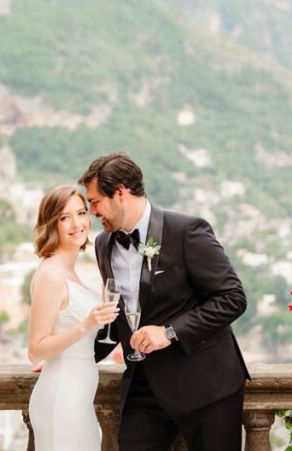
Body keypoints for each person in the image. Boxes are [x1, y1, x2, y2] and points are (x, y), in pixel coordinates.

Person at [81, 152, 249, 451]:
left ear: (120, 193)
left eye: (94, 202)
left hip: (207, 386)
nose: (92, 211)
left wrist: (169, 332)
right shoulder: (103, 244)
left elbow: (232, 298)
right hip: (144, 389)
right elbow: (119, 320)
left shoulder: (187, 231)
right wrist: (70, 358)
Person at [27, 185, 120, 451]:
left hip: (78, 399)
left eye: (81, 213)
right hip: (62, 400)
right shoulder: (52, 276)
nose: (77, 223)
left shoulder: (70, 271)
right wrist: (86, 325)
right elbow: (35, 350)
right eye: (64, 217)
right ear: (51, 223)